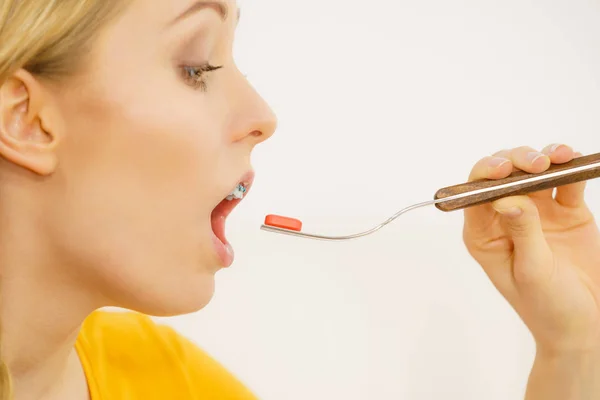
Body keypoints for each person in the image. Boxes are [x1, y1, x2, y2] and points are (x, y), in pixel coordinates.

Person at [0, 0, 598, 399]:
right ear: (27, 120)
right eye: (196, 66)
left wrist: (574, 347)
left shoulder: (166, 380)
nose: (264, 117)